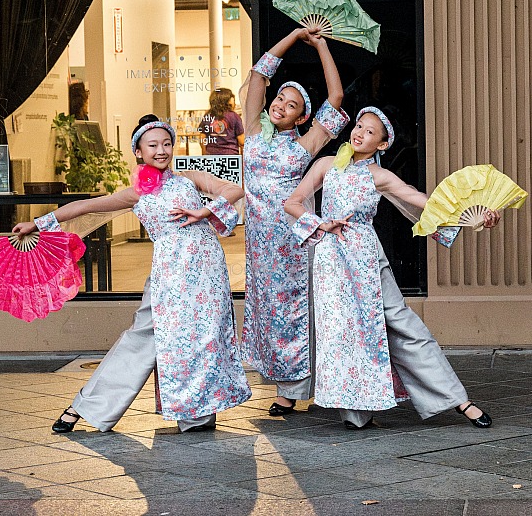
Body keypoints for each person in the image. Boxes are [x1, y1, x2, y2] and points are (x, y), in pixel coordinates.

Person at [13, 114, 252, 433]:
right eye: (152, 145)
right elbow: (86, 206)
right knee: (146, 336)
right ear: (138, 151)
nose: (162, 150)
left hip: (207, 269)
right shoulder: (137, 193)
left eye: (167, 143)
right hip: (170, 272)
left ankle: (197, 412)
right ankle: (88, 406)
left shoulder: (190, 177)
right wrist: (38, 223)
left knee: (205, 336)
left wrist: (204, 211)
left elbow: (233, 189)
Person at [284, 106, 499, 430]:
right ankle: (356, 412)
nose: (359, 133)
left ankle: (459, 401)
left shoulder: (378, 175)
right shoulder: (326, 165)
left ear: (382, 145)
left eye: (370, 132)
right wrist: (322, 223)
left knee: (404, 324)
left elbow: (419, 199)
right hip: (331, 261)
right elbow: (293, 202)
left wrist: (475, 214)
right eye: (359, 126)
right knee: (341, 333)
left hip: (368, 260)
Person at [240, 28, 349, 416]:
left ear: (302, 117)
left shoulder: (306, 144)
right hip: (258, 244)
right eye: (280, 99)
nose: (281, 106)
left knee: (300, 311)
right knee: (270, 312)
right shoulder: (252, 130)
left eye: (292, 105)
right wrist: (292, 35)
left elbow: (335, 99)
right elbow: (258, 75)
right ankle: (290, 383)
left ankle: (298, 390)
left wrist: (319, 45)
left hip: (295, 241)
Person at [199, 88, 245, 155]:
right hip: (230, 155)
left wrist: (204, 155)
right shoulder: (234, 116)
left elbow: (202, 138)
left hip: (211, 155)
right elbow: (242, 141)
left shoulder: (208, 116)